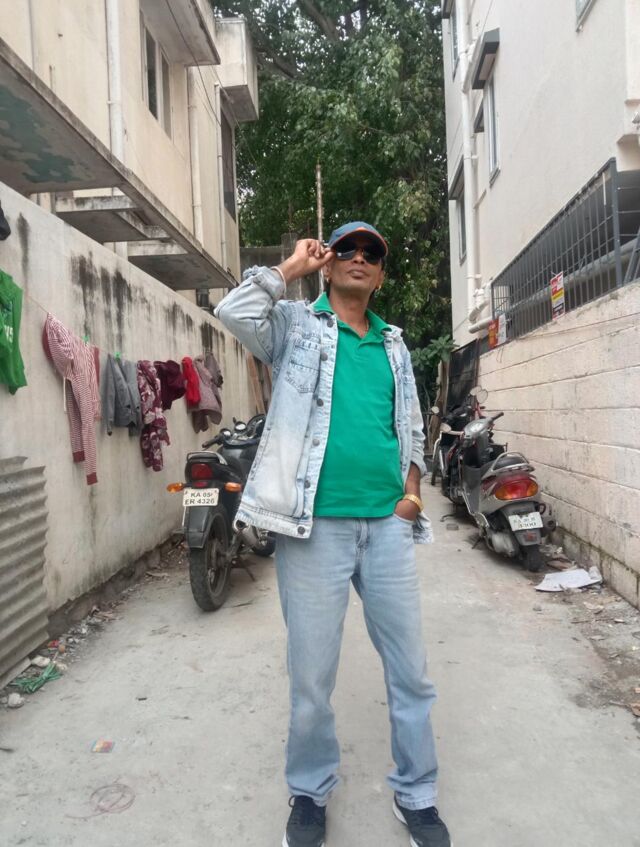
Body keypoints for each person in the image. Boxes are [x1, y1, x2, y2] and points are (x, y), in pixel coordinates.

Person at [214, 222, 450, 847]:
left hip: (387, 527)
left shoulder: (394, 344)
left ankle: (417, 792)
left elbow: (410, 426)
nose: (359, 258)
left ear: (381, 274)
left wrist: (412, 494)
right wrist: (291, 268)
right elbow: (233, 310)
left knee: (411, 672)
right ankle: (310, 791)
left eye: (372, 253)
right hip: (313, 528)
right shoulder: (296, 328)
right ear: (329, 262)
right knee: (312, 679)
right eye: (347, 248)